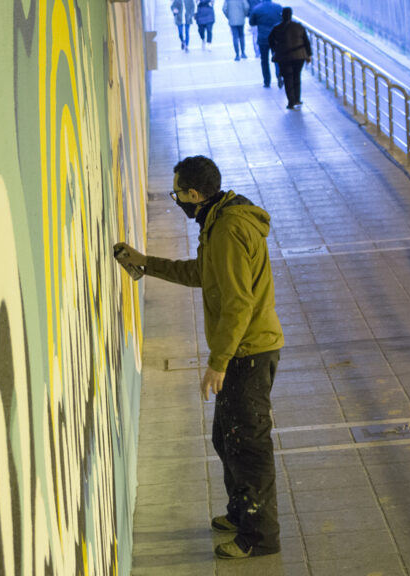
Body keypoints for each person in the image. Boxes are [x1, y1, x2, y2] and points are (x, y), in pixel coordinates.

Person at [114, 156, 284, 559]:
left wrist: (218, 362)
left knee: (247, 446)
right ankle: (241, 513)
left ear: (194, 194)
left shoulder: (226, 230)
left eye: (177, 194)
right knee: (226, 438)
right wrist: (145, 263)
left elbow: (239, 304)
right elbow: (202, 275)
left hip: (248, 353)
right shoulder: (221, 220)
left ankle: (259, 536)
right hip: (247, 349)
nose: (177, 201)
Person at [268, 7, 312, 109]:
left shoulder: (276, 28)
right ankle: (297, 99)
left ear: (282, 16)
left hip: (284, 57)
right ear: (291, 15)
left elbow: (270, 41)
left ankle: (291, 101)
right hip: (299, 56)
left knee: (288, 78)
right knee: (297, 76)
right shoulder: (299, 27)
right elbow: (306, 42)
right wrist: (308, 55)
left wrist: (276, 50)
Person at [249, 0, 283, 88]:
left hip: (263, 38)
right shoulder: (278, 7)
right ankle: (279, 75)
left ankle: (267, 81)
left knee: (264, 61)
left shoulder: (257, 9)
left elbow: (251, 22)